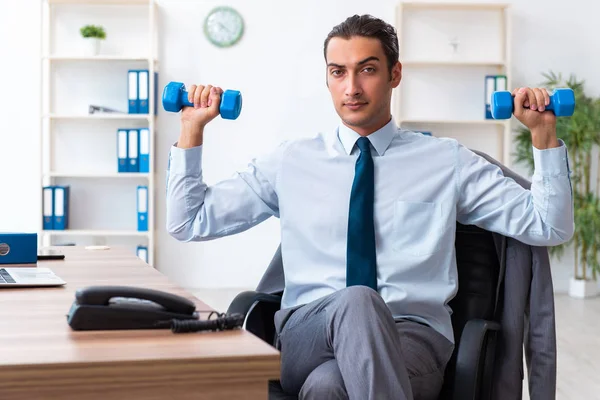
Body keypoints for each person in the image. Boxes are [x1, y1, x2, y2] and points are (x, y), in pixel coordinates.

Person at [165, 14, 574, 400]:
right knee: (356, 300)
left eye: (368, 69)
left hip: (412, 338)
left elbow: (547, 226)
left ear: (395, 74)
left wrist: (543, 138)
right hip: (308, 331)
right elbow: (190, 220)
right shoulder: (291, 161)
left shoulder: (445, 161)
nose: (351, 88)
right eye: (338, 72)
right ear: (327, 78)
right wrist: (190, 129)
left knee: (328, 387)